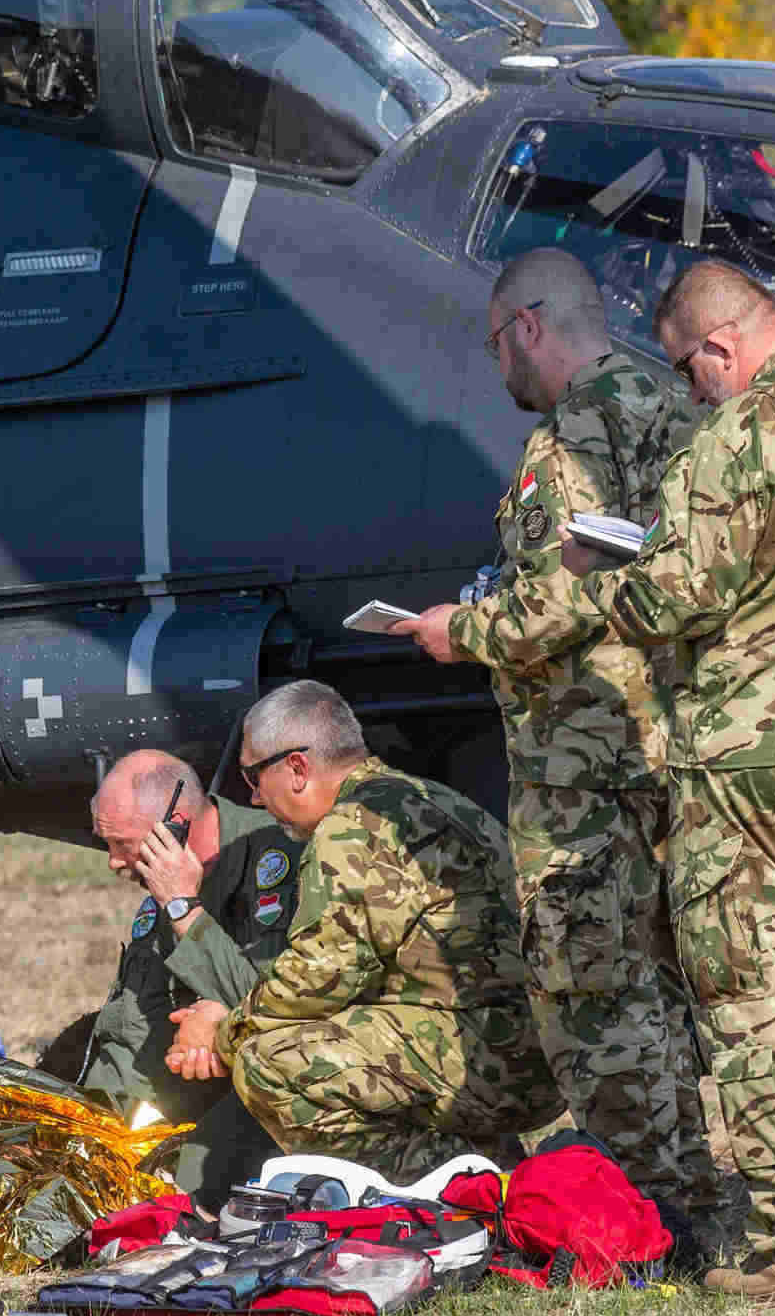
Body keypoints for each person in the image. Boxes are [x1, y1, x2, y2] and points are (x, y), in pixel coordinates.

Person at [419, 258, 775, 1304]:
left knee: (757, 998)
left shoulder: (740, 434)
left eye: (694, 370)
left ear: (721, 345)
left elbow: (678, 592)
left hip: (749, 755)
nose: (693, 393)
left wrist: (537, 606)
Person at [408, 249, 721, 1227]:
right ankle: (692, 1198)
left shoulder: (579, 427)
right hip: (670, 746)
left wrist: (458, 630)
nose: (499, 367)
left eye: (496, 344)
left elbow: (561, 599)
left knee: (590, 993)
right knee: (656, 989)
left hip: (585, 762)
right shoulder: (674, 407)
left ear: (528, 327)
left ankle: (646, 1215)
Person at [163, 681, 557, 1181]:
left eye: (253, 777)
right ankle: (492, 1170)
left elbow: (316, 980)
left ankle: (435, 1192)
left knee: (270, 1062)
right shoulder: (432, 798)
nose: (255, 798)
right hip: (533, 1049)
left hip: (488, 1059)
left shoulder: (351, 827)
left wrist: (222, 1034)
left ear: (297, 768)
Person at [63, 749, 300, 1200]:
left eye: (122, 844)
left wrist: (183, 909)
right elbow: (134, 1027)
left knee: (194, 1179)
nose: (113, 861)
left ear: (176, 825)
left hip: (276, 1088)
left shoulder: (283, 857)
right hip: (184, 1085)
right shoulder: (161, 885)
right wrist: (89, 1132)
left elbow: (277, 1006)